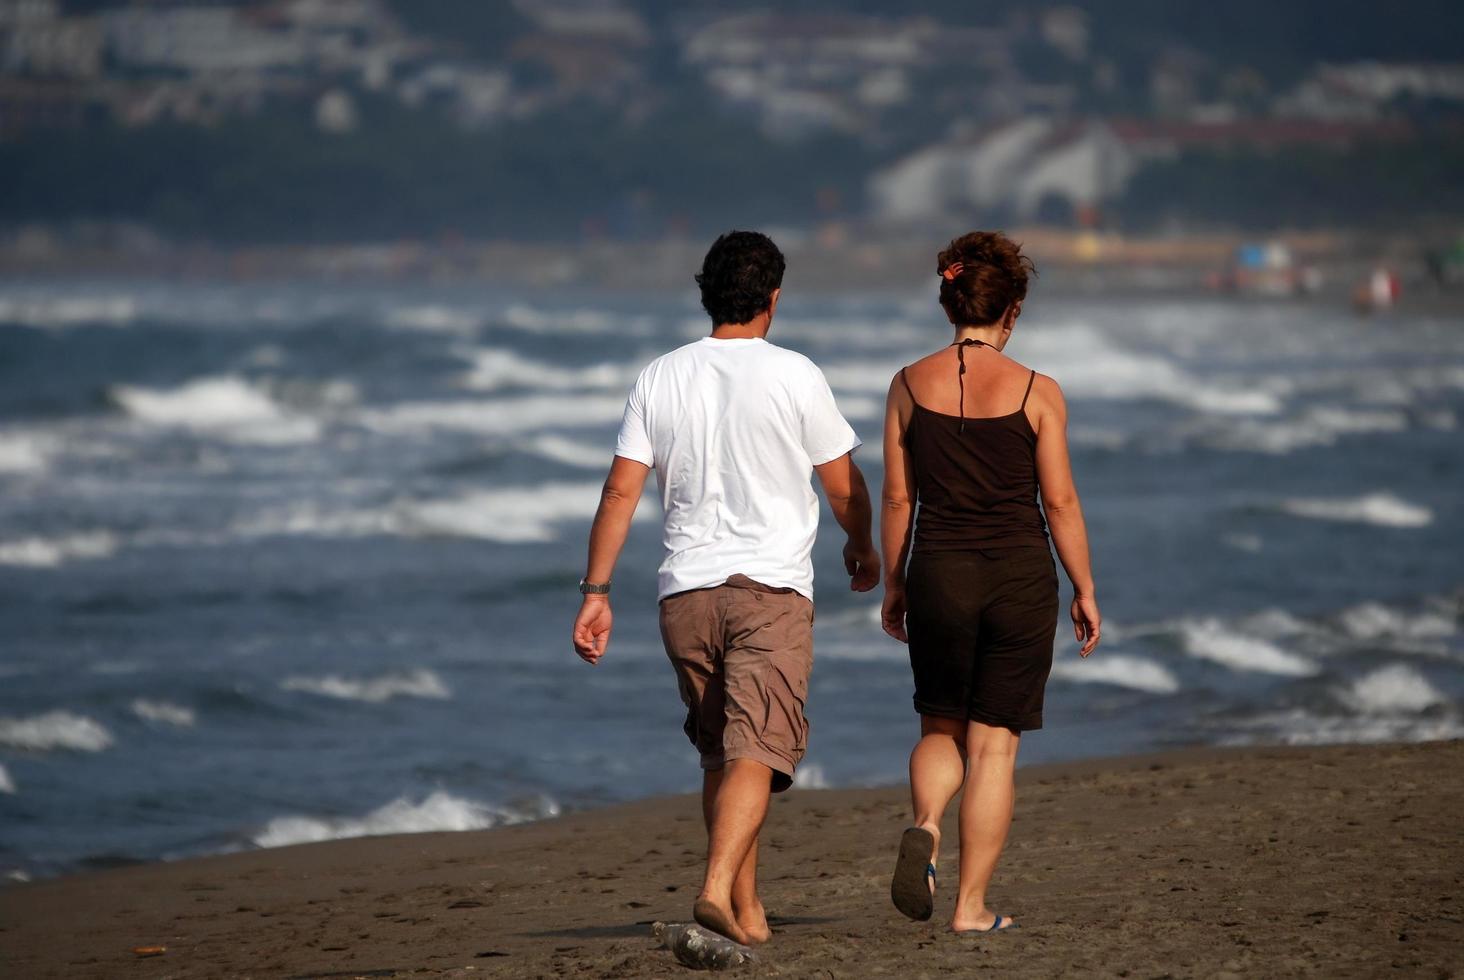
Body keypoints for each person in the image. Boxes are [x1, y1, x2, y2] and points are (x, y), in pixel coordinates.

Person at [571, 230, 879, 945]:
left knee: (724, 751)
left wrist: (596, 590)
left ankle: (748, 913)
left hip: (684, 595)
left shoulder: (660, 376)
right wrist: (862, 549)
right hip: (767, 589)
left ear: (708, 294)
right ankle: (713, 890)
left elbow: (620, 494)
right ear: (773, 299)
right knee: (757, 749)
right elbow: (843, 486)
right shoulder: (796, 374)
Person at [879, 231, 1100, 934]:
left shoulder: (908, 384)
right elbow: (1059, 502)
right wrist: (1085, 588)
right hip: (1018, 578)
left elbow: (896, 500)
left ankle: (926, 826)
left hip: (939, 571)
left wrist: (894, 582)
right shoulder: (1039, 391)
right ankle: (970, 908)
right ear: (1013, 309)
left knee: (940, 726)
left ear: (950, 302)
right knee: (994, 744)